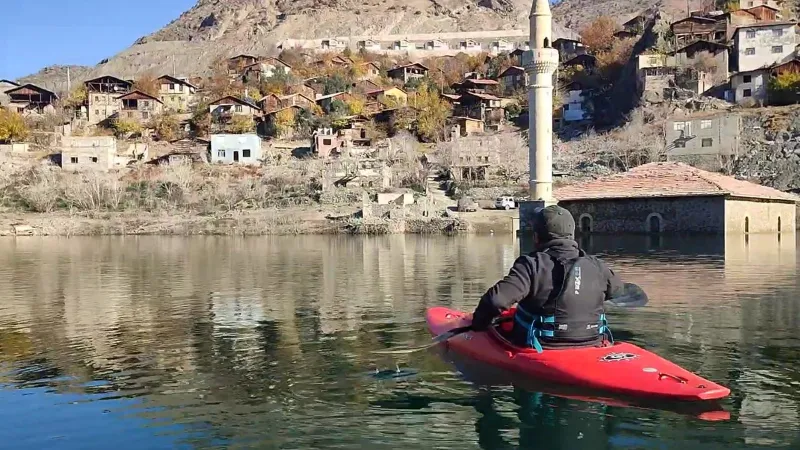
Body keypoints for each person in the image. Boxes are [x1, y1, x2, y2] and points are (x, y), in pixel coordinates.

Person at [471, 205, 623, 352]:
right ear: (572, 234)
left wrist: (479, 324)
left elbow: (496, 301)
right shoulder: (598, 266)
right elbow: (618, 290)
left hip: (543, 345)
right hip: (593, 341)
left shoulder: (531, 265)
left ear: (536, 237)